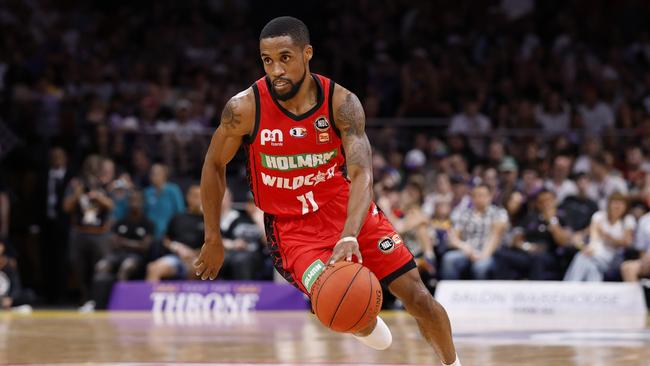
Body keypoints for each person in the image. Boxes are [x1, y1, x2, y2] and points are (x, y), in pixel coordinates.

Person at [194, 17, 460, 366]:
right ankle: (363, 321)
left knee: (420, 299)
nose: (277, 69)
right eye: (267, 60)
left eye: (285, 57)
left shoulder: (342, 103)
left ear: (307, 54)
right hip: (293, 231)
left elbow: (362, 172)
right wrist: (212, 237)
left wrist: (349, 234)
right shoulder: (244, 108)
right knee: (345, 308)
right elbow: (214, 164)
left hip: (344, 207)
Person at [63, 155, 114, 308]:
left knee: (100, 267)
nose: (92, 169)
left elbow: (112, 205)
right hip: (80, 232)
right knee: (77, 265)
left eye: (95, 166)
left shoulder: (105, 184)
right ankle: (84, 296)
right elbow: (66, 207)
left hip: (100, 233)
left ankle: (97, 298)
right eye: (89, 166)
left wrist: (98, 197)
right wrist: (77, 194)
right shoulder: (75, 183)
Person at [90, 191, 153, 310]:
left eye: (137, 200)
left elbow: (144, 246)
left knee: (126, 266)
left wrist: (123, 242)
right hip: (118, 254)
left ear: (143, 203)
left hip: (137, 257)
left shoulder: (148, 223)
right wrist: (133, 243)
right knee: (101, 266)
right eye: (132, 200)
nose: (134, 203)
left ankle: (120, 302)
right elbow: (113, 242)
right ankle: (96, 302)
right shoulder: (121, 221)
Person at [441, 184, 508, 280]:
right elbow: (453, 238)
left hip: (489, 253)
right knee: (448, 259)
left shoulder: (499, 213)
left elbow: (495, 237)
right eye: (475, 195)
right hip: (467, 252)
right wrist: (464, 247)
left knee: (480, 267)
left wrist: (482, 255)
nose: (478, 198)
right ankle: (450, 293)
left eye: (482, 195)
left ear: (490, 196)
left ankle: (480, 294)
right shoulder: (464, 214)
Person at [564, 193, 635, 281]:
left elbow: (626, 242)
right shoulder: (599, 216)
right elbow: (593, 237)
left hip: (613, 257)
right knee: (591, 266)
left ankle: (569, 286)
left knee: (581, 257)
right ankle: (594, 291)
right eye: (615, 203)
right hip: (596, 252)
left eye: (621, 203)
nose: (617, 206)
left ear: (625, 206)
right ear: (609, 204)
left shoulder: (628, 220)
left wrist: (606, 235)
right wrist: (588, 247)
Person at [147, 185, 204, 281]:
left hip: (197, 258)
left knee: (194, 270)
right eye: (195, 196)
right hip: (176, 257)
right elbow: (165, 238)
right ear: (188, 198)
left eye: (201, 196)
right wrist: (176, 247)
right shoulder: (177, 217)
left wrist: (194, 254)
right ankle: (148, 296)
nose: (198, 199)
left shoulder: (208, 220)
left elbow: (214, 243)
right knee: (153, 268)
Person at [143, 164, 185, 240]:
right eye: (152, 173)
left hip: (169, 233)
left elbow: (180, 211)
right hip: (151, 233)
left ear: (164, 175)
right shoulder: (147, 192)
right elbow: (144, 212)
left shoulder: (173, 190)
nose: (154, 176)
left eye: (157, 173)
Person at [621, 210, 650, 281]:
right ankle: (636, 292)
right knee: (627, 268)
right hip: (647, 260)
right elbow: (641, 248)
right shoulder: (644, 220)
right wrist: (644, 262)